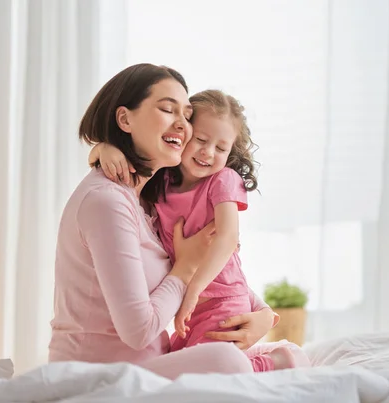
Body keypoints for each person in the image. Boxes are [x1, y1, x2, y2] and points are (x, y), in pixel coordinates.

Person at [48, 63, 286, 380]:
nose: (182, 126)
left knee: (226, 356)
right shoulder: (108, 201)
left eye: (186, 116)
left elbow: (219, 263)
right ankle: (276, 362)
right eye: (167, 110)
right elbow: (139, 330)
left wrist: (263, 313)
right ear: (125, 119)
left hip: (147, 363)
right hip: (99, 375)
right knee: (228, 362)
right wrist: (185, 269)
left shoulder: (147, 199)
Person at [90, 89, 309, 371]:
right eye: (201, 141)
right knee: (181, 364)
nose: (208, 153)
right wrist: (101, 149)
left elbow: (228, 238)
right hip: (189, 306)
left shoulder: (223, 180)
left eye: (221, 148)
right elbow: (131, 158)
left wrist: (193, 290)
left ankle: (277, 361)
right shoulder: (163, 181)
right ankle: (263, 356)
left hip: (222, 301)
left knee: (205, 370)